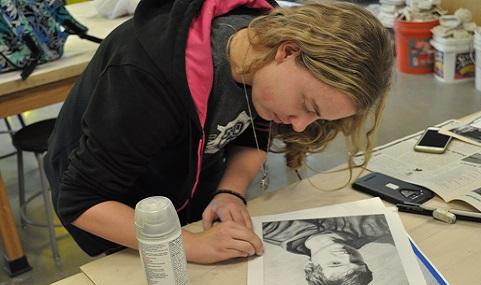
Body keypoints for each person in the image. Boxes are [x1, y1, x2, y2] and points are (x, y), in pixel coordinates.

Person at [44, 0, 393, 264]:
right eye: (307, 105)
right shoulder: (147, 78)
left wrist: (230, 191)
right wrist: (189, 245)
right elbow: (82, 201)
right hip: (115, 206)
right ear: (288, 51)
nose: (299, 124)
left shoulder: (262, 61)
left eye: (315, 119)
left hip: (184, 185)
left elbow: (249, 131)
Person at [262, 215, 392, 285]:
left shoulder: (272, 230)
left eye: (335, 263)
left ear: (309, 266)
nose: (347, 257)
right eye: (357, 261)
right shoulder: (377, 229)